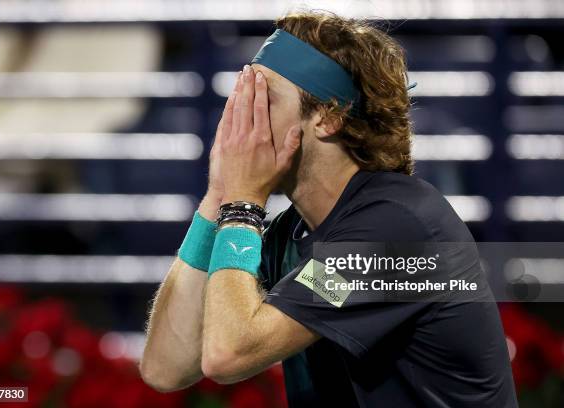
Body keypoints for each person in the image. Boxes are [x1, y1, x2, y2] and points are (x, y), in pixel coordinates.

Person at [140, 10, 517, 407]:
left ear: (328, 116)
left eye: (261, 97)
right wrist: (218, 196)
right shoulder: (294, 232)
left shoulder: (396, 231)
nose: (239, 120)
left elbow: (226, 356)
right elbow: (165, 367)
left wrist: (242, 203)